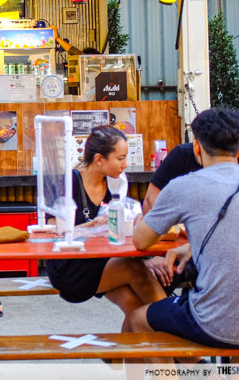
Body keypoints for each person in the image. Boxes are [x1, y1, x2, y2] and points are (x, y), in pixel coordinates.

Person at [130, 108, 239, 355]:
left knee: (137, 319)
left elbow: (141, 240)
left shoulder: (184, 186)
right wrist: (192, 245)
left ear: (196, 147)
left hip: (216, 325)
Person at [45, 125, 166, 331]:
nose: (125, 164)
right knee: (135, 269)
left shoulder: (117, 184)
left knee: (134, 305)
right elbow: (55, 233)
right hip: (71, 268)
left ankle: (125, 357)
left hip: (104, 261)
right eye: (120, 158)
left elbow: (125, 224)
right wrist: (90, 226)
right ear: (100, 159)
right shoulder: (69, 182)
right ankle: (184, 341)